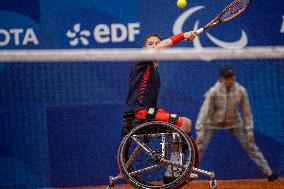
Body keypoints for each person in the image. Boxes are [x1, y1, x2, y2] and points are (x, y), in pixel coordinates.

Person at [124, 31, 198, 183]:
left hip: (149, 112)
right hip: (139, 113)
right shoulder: (142, 60)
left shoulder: (154, 70)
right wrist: (184, 35)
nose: (154, 46)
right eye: (150, 44)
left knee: (187, 122)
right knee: (181, 123)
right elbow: (162, 46)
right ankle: (174, 170)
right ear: (144, 49)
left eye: (157, 43)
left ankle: (174, 167)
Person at [195, 64, 279, 181]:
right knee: (199, 147)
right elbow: (204, 112)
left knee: (250, 146)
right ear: (221, 79)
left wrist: (249, 132)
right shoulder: (213, 91)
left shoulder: (241, 91)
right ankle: (188, 173)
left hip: (234, 122)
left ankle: (269, 173)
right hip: (212, 122)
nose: (229, 79)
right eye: (226, 77)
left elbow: (247, 113)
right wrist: (200, 133)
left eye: (231, 76)